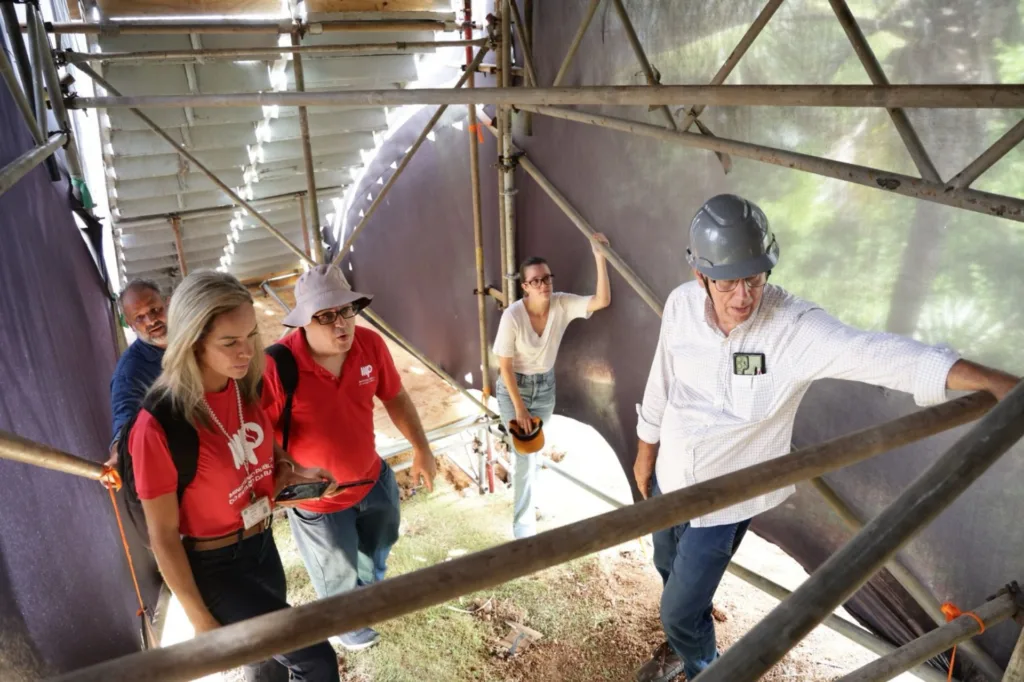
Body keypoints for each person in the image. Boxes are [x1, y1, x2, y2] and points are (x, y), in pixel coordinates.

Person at [632, 194, 1020, 682]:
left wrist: (993, 381)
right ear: (700, 277)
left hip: (724, 501)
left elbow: (877, 353)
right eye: (728, 282)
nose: (743, 296)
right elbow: (661, 380)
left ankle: (703, 669)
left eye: (754, 277)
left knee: (678, 608)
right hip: (671, 479)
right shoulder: (679, 307)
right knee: (665, 564)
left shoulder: (792, 329)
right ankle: (684, 635)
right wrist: (646, 451)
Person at [128, 270, 340, 682]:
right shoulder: (159, 424)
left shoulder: (241, 383)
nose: (246, 352)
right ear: (192, 340)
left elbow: (256, 440)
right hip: (213, 566)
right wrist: (200, 619)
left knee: (266, 663)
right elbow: (163, 536)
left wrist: (288, 469)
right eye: (229, 342)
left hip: (261, 544)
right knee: (315, 658)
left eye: (251, 336)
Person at [261, 264, 437, 651]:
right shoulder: (276, 366)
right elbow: (255, 433)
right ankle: (349, 629)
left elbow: (396, 397)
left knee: (380, 545)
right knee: (336, 575)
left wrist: (422, 448)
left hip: (372, 479)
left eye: (346, 310)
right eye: (325, 316)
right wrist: (285, 470)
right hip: (317, 500)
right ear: (303, 322)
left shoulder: (370, 345)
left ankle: (368, 596)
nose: (340, 323)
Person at [493, 233, 612, 538]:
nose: (544, 284)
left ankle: (530, 504)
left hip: (545, 386)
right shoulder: (513, 316)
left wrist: (599, 256)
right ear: (525, 287)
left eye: (547, 278)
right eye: (536, 281)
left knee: (534, 448)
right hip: (513, 388)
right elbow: (503, 366)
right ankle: (523, 531)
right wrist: (519, 409)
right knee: (523, 453)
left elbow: (602, 301)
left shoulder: (561, 304)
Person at [109, 279, 169, 453]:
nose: (151, 321)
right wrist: (119, 452)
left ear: (166, 303)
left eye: (155, 310)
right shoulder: (130, 371)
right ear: (129, 324)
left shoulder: (193, 337)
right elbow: (125, 418)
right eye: (139, 317)